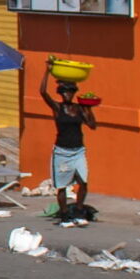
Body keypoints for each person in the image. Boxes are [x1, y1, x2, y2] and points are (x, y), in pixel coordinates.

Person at [37, 66, 101, 224]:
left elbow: (92, 125)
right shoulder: (58, 108)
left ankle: (79, 210)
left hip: (78, 150)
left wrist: (88, 108)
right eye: (64, 92)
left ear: (73, 94)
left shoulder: (79, 108)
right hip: (61, 152)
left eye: (70, 92)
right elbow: (43, 92)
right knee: (62, 185)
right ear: (60, 93)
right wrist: (47, 71)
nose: (67, 95)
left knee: (83, 182)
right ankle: (65, 213)